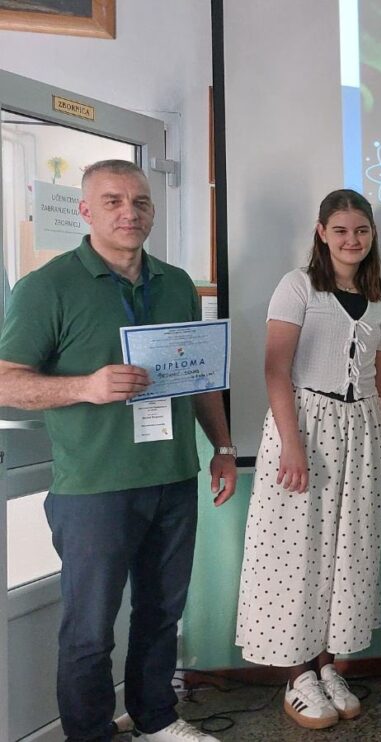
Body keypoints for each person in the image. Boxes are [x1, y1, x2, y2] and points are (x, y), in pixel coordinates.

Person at [0, 159, 236, 742]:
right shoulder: (46, 287)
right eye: (112, 201)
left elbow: (199, 377)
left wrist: (224, 446)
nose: (129, 212)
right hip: (94, 488)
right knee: (90, 629)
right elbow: (5, 381)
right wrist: (85, 386)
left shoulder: (176, 284)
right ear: (85, 210)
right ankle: (90, 734)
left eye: (140, 201)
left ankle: (157, 719)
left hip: (173, 476)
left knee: (161, 613)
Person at [234, 189, 381, 729]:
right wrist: (292, 444)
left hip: (364, 433)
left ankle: (328, 664)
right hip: (306, 425)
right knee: (297, 551)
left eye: (361, 230)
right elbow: (275, 369)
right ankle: (297, 674)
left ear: (372, 235)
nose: (351, 240)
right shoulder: (298, 287)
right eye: (341, 230)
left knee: (347, 551)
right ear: (321, 232)